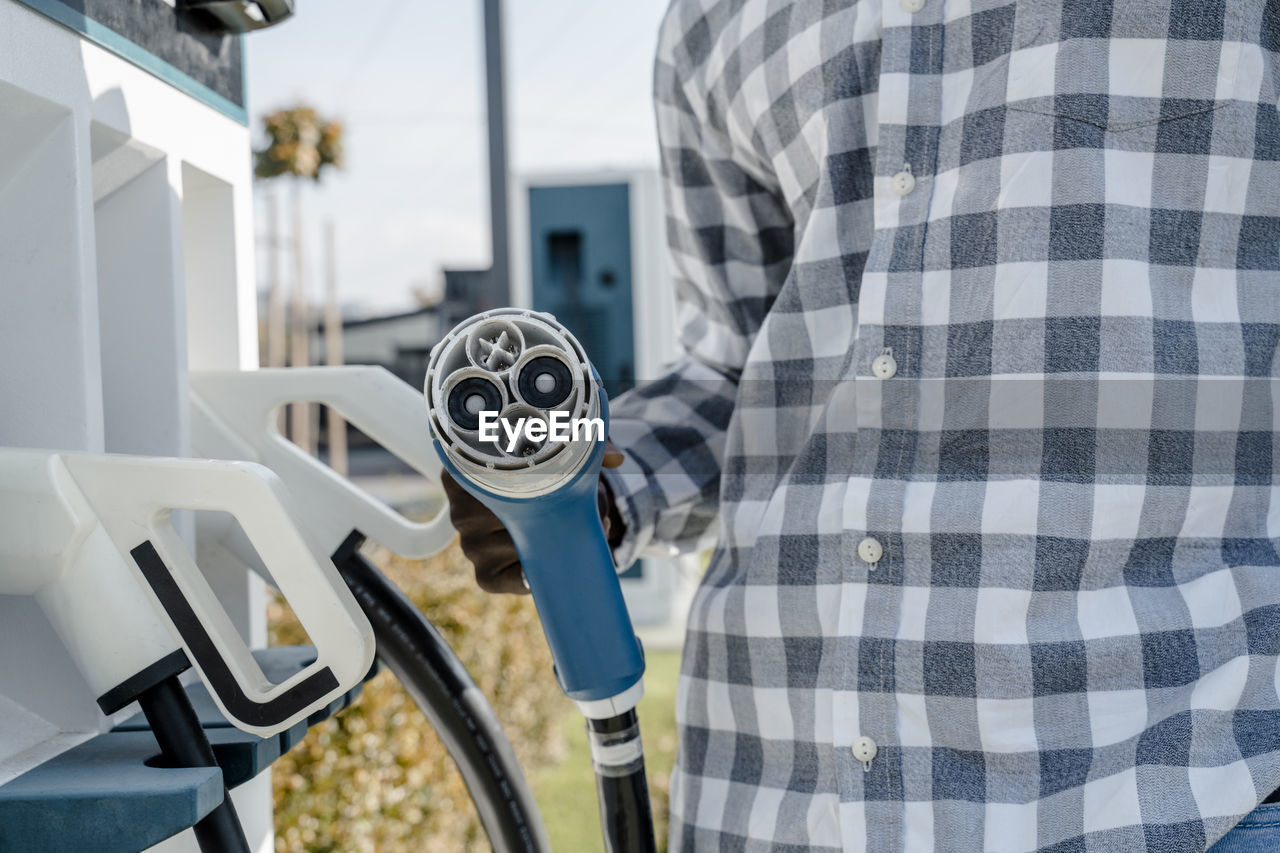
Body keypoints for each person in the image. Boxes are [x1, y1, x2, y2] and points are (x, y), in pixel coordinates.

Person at [444, 0, 1280, 849]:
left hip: (1175, 790)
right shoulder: (708, 20)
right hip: (771, 797)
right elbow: (736, 364)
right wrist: (597, 485)